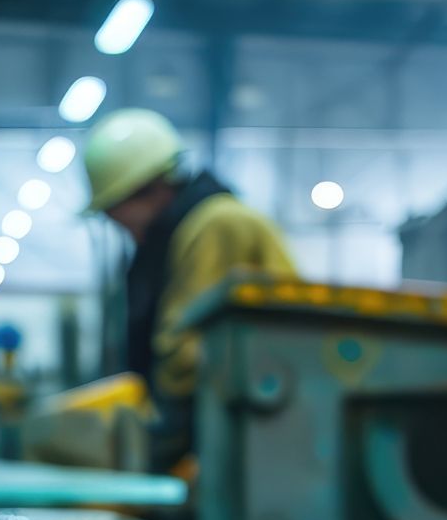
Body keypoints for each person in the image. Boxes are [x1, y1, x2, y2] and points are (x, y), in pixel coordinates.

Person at [83, 108, 300, 471]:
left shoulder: (216, 225)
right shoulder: (181, 233)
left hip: (266, 433)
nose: (114, 224)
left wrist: (156, 451)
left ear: (143, 190)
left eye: (112, 211)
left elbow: (185, 359)